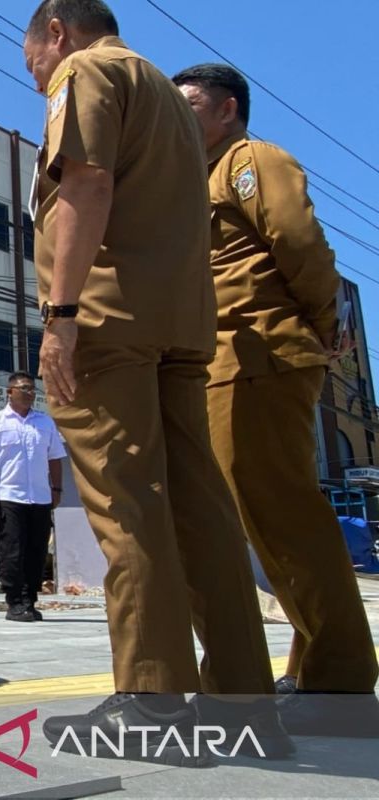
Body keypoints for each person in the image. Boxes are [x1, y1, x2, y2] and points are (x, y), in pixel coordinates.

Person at [21, 0, 291, 760]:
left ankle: (153, 701)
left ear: (56, 33)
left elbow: (87, 186)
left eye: (32, 59)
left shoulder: (85, 69)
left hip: (108, 322)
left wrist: (62, 315)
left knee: (128, 504)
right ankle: (245, 704)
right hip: (180, 324)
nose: (37, 74)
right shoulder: (173, 101)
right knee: (199, 509)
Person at [173, 63, 379, 734]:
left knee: (283, 516)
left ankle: (342, 681)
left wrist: (323, 323)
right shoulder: (194, 180)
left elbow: (297, 239)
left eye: (192, 105)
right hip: (229, 363)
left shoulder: (251, 159)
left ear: (227, 108)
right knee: (270, 521)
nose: (181, 117)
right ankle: (316, 661)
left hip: (261, 355)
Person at [0, 372, 65, 622]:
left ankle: (30, 600)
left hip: (40, 497)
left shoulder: (45, 423)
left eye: (33, 389)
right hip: (8, 495)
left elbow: (55, 458)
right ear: (9, 392)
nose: (30, 393)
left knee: (37, 550)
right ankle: (15, 602)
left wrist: (57, 489)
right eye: (24, 388)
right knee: (12, 550)